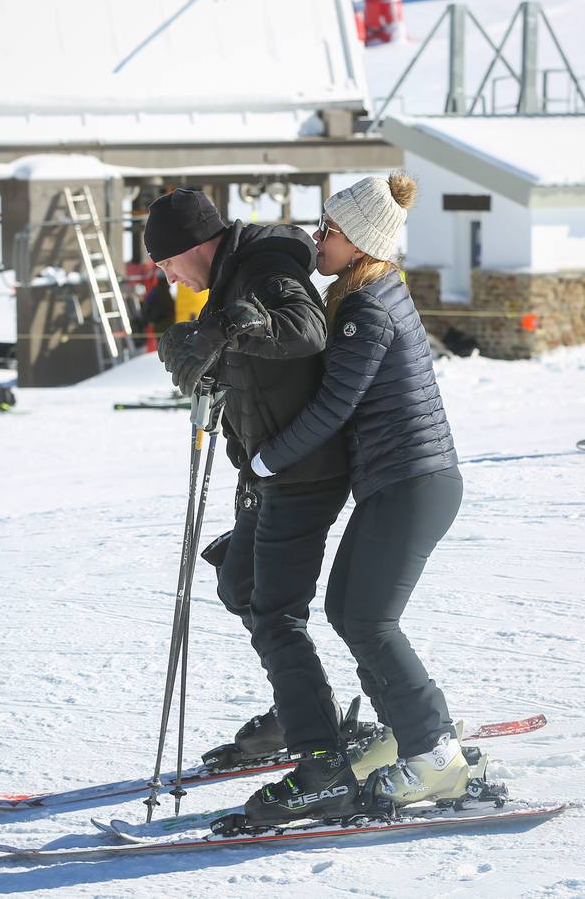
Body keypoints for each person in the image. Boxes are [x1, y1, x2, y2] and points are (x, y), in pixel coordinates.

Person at [242, 173, 468, 826]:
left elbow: (333, 407)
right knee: (347, 608)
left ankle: (434, 752)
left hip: (413, 482)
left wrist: (264, 459)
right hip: (401, 481)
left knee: (368, 617)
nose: (318, 239)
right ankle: (407, 734)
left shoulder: (365, 308)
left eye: (330, 232)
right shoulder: (367, 291)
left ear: (362, 242)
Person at [146, 188, 360, 821]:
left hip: (305, 471)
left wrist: (227, 331)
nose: (166, 276)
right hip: (268, 475)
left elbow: (303, 329)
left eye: (165, 263)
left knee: (274, 611)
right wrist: (207, 357)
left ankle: (321, 759)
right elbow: (246, 355)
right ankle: (301, 710)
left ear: (193, 247)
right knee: (239, 581)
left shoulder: (268, 268)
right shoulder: (235, 278)